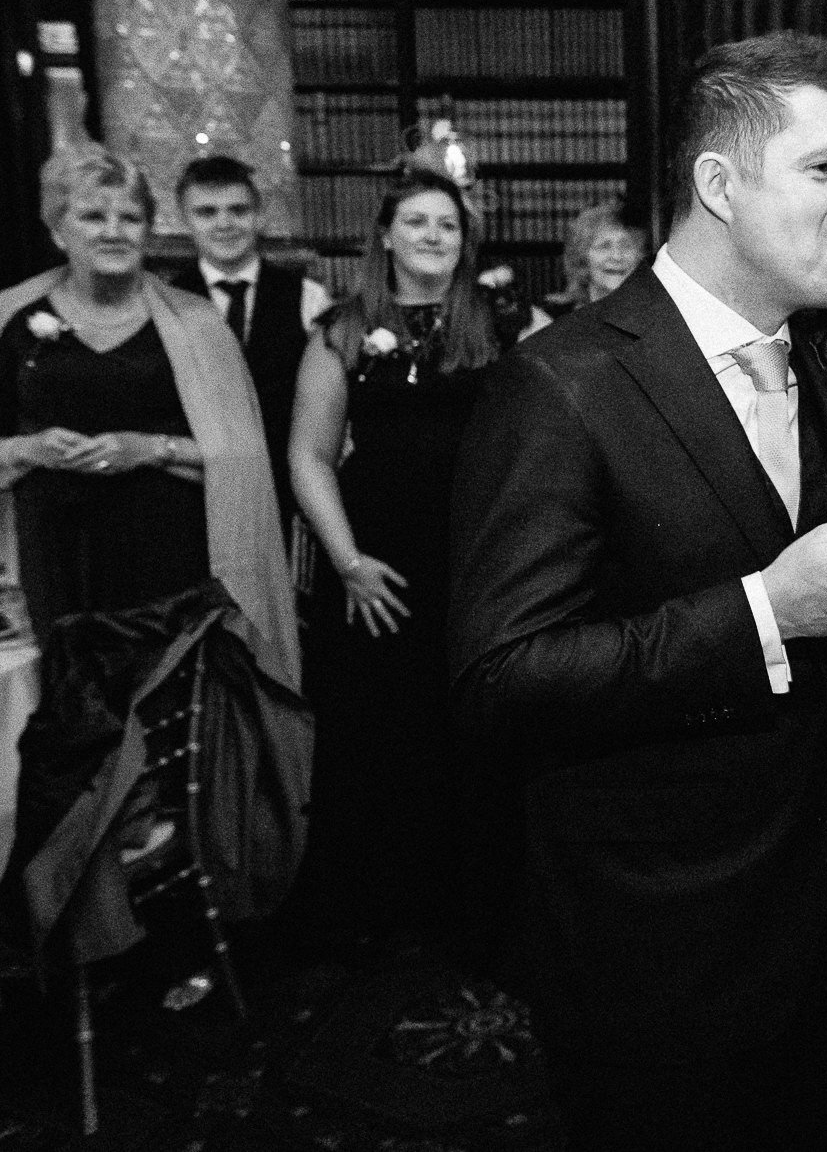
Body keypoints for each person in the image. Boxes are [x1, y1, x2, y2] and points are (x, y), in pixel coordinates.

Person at [445, 32, 827, 1152]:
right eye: (824, 170)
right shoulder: (560, 385)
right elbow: (502, 676)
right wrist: (766, 612)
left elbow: (809, 542)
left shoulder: (801, 356)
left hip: (816, 913)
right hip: (657, 939)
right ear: (718, 186)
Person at [0, 145, 303, 969]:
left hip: (169, 574)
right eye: (92, 216)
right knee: (61, 743)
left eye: (129, 216)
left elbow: (240, 454)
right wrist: (28, 449)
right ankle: (67, 923)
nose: (113, 230)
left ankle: (157, 933)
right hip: (54, 566)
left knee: (160, 753)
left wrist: (146, 445)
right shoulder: (13, 320)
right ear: (56, 225)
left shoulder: (194, 325)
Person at [285, 167, 544, 948]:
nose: (434, 235)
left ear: (465, 244)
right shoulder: (342, 330)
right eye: (419, 222)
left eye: (449, 225)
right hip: (378, 567)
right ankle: (379, 915)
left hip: (481, 562)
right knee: (381, 737)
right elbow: (308, 456)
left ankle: (483, 911)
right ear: (387, 235)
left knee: (475, 731)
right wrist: (349, 562)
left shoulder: (505, 321)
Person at [165, 154, 330, 528]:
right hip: (196, 495)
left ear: (260, 215)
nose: (224, 224)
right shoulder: (164, 302)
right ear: (184, 219)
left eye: (238, 210)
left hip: (287, 493)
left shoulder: (309, 298)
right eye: (206, 213)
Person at [541, 198, 650, 316]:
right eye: (604, 246)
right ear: (582, 258)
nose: (617, 256)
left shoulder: (658, 316)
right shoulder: (552, 320)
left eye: (626, 246)